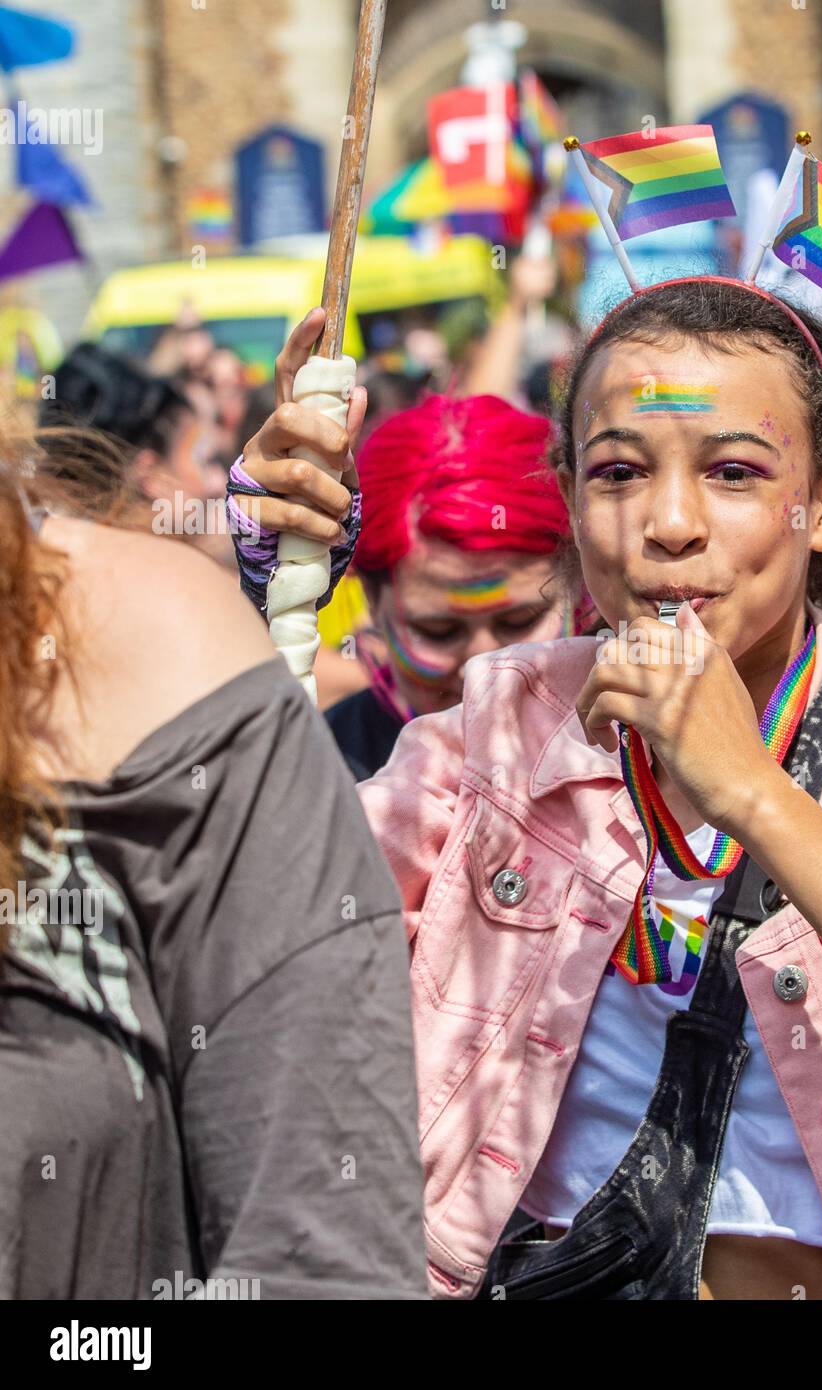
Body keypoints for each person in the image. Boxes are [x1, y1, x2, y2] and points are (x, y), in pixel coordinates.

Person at [240, 276, 822, 1301]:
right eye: (619, 471)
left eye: (734, 472)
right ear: (574, 502)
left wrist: (755, 793)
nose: (669, 523)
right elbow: (259, 957)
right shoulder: (497, 736)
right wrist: (268, 575)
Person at [0, 429, 428, 1298]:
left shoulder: (155, 671)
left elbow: (323, 1260)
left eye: (510, 617)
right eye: (439, 626)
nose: (470, 655)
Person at [228, 311, 576, 780]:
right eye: (438, 630)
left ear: (577, 581)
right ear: (373, 602)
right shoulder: (327, 769)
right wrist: (273, 597)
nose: (483, 673)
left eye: (518, 621)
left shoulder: (641, 751)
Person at [39, 342, 230, 566]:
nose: (220, 482)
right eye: (205, 461)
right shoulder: (177, 586)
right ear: (149, 474)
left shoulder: (55, 566)